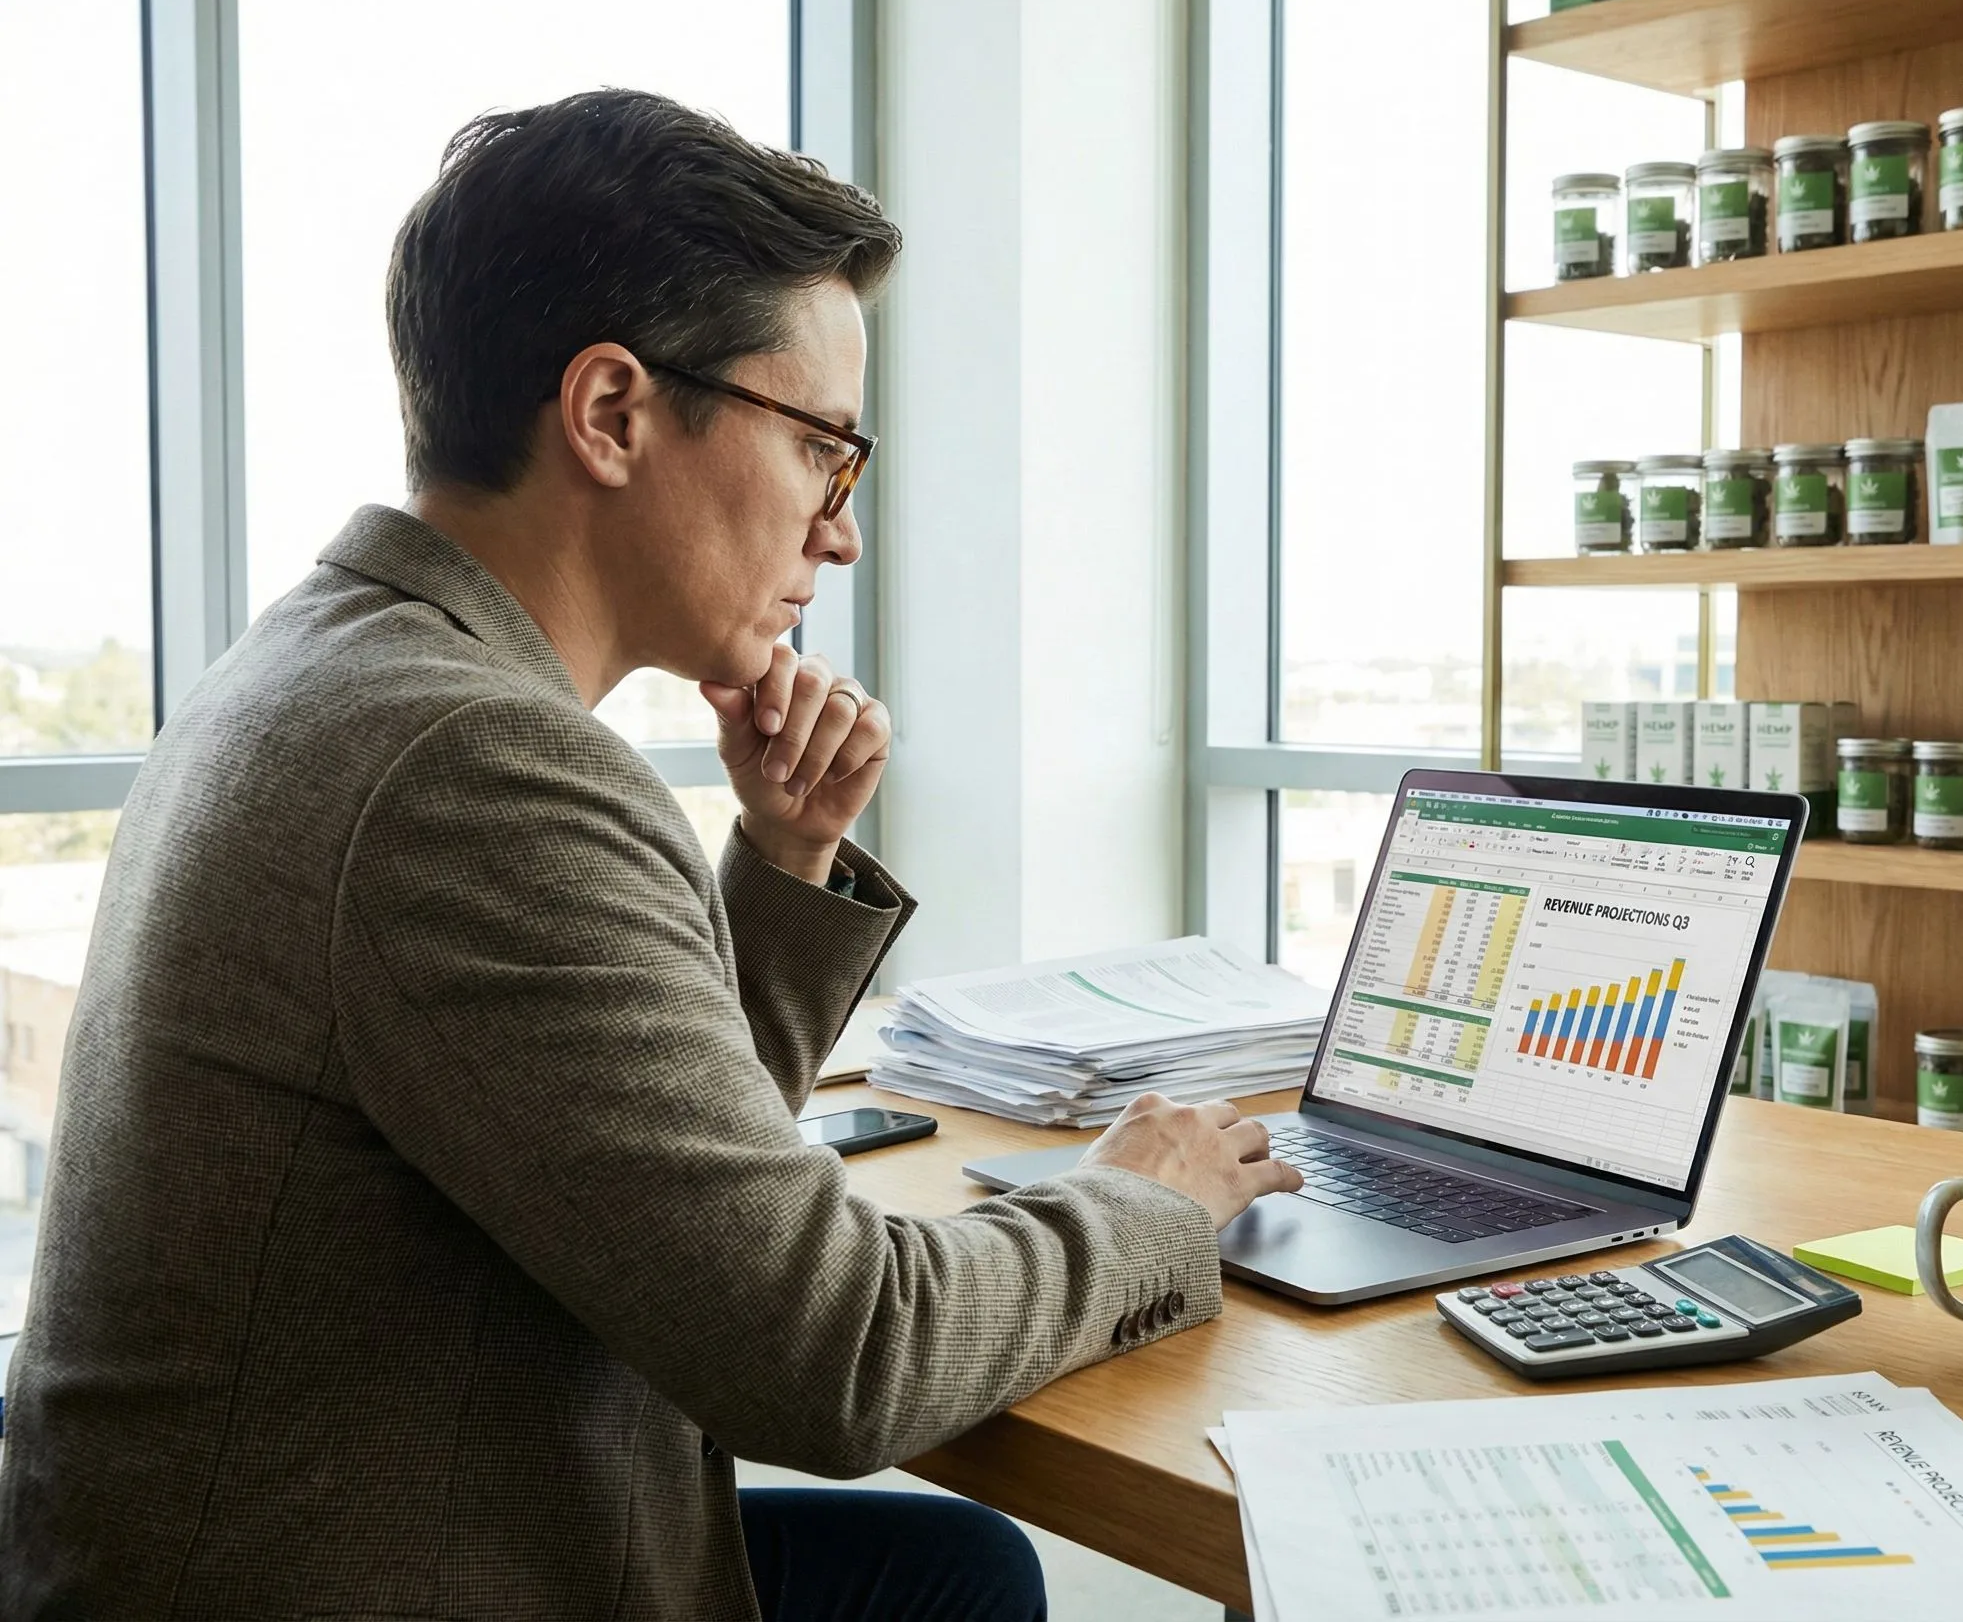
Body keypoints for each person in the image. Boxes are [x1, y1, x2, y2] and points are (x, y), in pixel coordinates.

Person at [0, 88, 1300, 1621]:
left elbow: (635, 1183)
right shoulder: (472, 766)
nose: (841, 532)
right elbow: (833, 1358)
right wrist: (1143, 1202)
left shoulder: (329, 661)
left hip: (251, 1544)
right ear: (612, 413)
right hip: (373, 1573)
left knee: (944, 1572)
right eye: (825, 446)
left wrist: (786, 857)